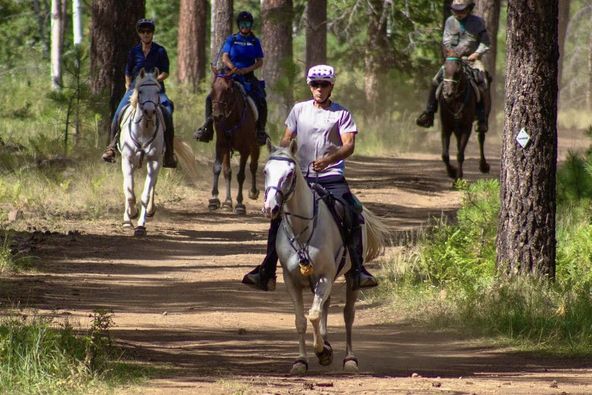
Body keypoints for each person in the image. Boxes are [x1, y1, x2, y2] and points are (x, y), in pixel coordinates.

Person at [242, 64, 378, 292]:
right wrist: (280, 152)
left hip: (331, 176)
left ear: (331, 86)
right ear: (310, 86)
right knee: (278, 217)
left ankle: (357, 270)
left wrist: (329, 160)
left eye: (324, 84)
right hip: (301, 178)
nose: (319, 88)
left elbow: (349, 145)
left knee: (351, 210)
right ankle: (267, 269)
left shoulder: (341, 113)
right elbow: (287, 139)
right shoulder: (298, 110)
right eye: (315, 84)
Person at [101, 18, 177, 168]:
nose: (146, 34)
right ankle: (111, 147)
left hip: (156, 89)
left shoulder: (160, 51)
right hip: (135, 90)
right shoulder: (133, 51)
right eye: (142, 31)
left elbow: (166, 72)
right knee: (118, 113)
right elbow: (128, 71)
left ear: (152, 33)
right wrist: (129, 85)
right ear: (139, 34)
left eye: (148, 31)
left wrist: (154, 80)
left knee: (167, 111)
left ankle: (169, 153)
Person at [193, 11, 268, 146]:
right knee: (210, 98)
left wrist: (247, 69)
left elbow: (260, 61)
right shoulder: (231, 39)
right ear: (238, 25)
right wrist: (233, 67)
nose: (245, 26)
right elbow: (224, 57)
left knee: (261, 99)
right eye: (242, 24)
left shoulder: (255, 41)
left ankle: (260, 130)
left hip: (248, 77)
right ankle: (207, 127)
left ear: (251, 25)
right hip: (230, 76)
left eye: (248, 23)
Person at [416, 0, 491, 133]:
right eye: (456, 10)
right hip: (453, 58)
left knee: (483, 81)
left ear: (468, 9)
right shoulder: (450, 21)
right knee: (436, 80)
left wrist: (476, 53)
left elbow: (485, 42)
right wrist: (450, 53)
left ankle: (481, 119)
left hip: (471, 59)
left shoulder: (478, 22)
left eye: (461, 10)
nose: (458, 13)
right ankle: (429, 112)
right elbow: (445, 40)